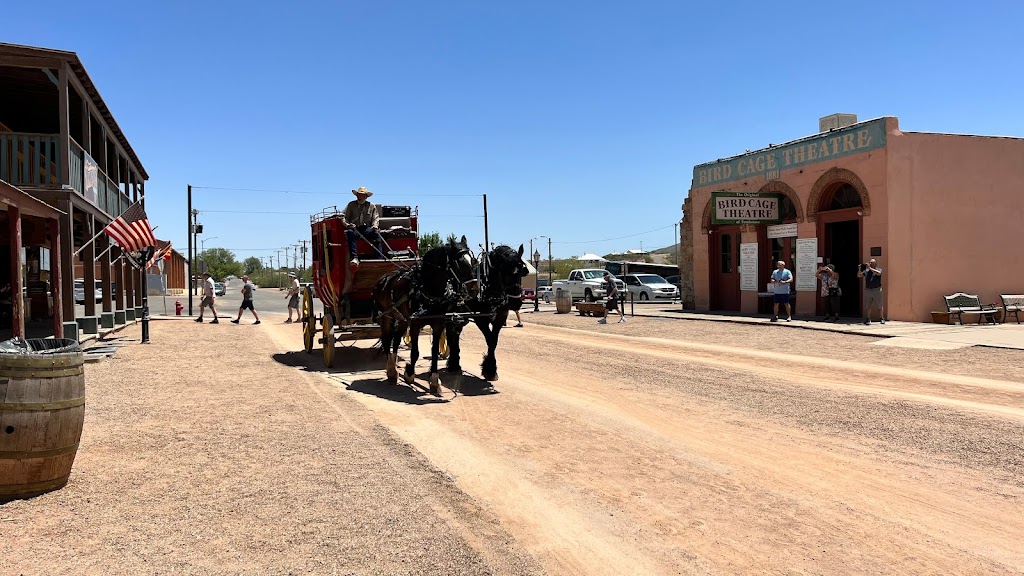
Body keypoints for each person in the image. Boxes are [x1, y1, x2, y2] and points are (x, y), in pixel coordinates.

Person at [343, 186, 383, 266]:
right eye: (358, 194)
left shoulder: (371, 206)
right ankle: (354, 258)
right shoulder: (351, 205)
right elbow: (344, 217)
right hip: (355, 228)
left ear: (366, 196)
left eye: (361, 195)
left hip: (366, 229)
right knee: (350, 233)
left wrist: (375, 226)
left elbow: (376, 217)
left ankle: (379, 258)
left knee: (377, 234)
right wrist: (348, 225)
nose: (359, 196)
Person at [858, 258, 885, 325]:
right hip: (868, 290)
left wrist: (870, 268)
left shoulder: (878, 269)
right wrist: (859, 269)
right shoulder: (866, 271)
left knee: (879, 305)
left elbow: (878, 273)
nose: (870, 264)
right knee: (868, 305)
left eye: (872, 263)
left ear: (875, 264)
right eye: (870, 262)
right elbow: (859, 275)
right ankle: (868, 318)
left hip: (877, 289)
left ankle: (881, 318)